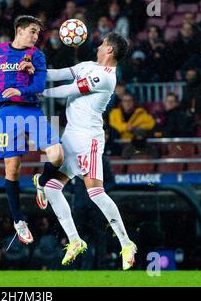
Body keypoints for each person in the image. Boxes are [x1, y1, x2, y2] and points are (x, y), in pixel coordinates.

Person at [26, 33, 137, 270]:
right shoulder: (89, 65)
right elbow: (59, 74)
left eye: (102, 44)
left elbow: (70, 90)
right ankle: (75, 240)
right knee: (52, 188)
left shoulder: (106, 78)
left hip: (89, 140)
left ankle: (126, 243)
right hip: (70, 137)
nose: (98, 46)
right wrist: (34, 70)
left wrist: (39, 93)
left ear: (109, 51)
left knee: (95, 192)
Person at [0, 15, 64, 245]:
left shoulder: (37, 56)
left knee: (58, 155)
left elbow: (40, 86)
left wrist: (22, 89)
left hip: (31, 110)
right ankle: (19, 220)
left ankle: (41, 181)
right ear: (19, 30)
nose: (35, 36)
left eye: (37, 33)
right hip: (7, 114)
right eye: (32, 31)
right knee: (12, 169)